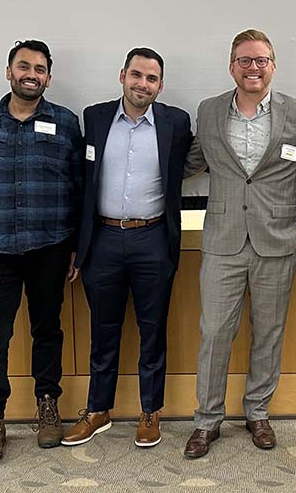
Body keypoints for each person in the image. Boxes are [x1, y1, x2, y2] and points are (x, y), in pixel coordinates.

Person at [182, 29, 296, 458]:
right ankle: (206, 420)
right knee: (214, 333)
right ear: (232, 66)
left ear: (273, 66)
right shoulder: (209, 110)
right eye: (245, 60)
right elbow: (192, 162)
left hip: (280, 241)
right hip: (222, 241)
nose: (253, 67)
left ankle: (257, 412)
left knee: (268, 332)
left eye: (261, 60)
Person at [0, 39, 84, 464]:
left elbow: (80, 190)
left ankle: (47, 406)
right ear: (9, 72)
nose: (31, 74)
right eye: (24, 66)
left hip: (50, 249)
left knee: (48, 331)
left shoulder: (65, 123)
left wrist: (75, 248)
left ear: (48, 78)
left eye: (40, 69)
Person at [62, 48, 192, 448]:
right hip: (102, 239)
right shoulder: (95, 118)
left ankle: (150, 411)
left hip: (153, 237)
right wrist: (78, 244)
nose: (142, 84)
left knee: (153, 329)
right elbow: (81, 180)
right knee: (103, 329)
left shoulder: (176, 122)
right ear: (122, 76)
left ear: (160, 86)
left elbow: (190, 165)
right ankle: (98, 410)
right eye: (136, 75)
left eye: (151, 79)